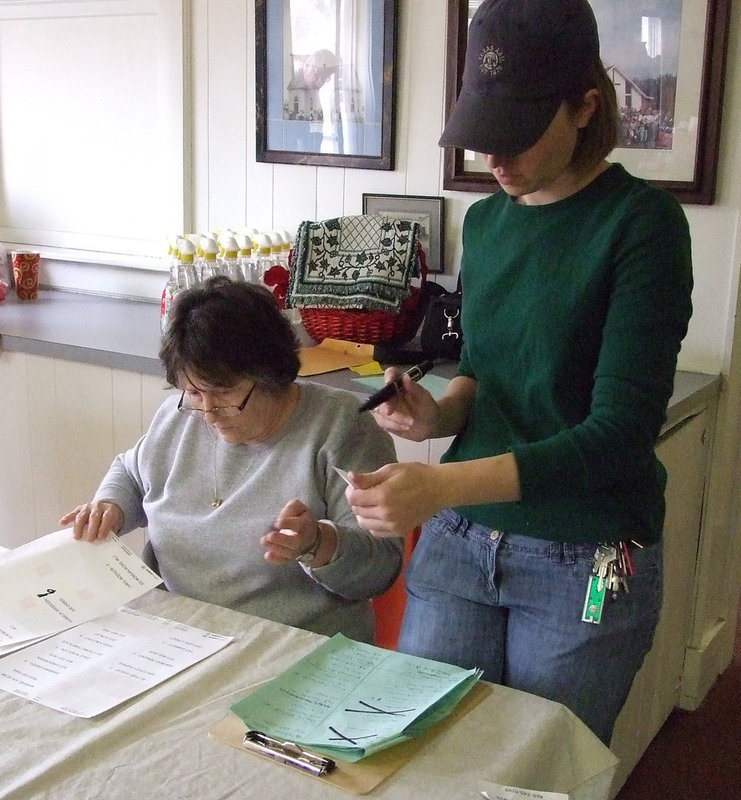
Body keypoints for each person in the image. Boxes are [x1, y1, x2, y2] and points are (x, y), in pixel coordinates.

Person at [345, 0, 693, 745]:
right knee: (421, 757)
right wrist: (435, 416)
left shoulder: (641, 226)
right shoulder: (488, 222)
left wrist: (437, 484)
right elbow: (481, 369)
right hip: (462, 544)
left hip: (584, 554)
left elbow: (617, 435)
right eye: (481, 138)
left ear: (584, 107)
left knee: (531, 776)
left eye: (516, 137)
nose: (494, 161)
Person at [61, 276, 403, 643]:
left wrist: (319, 544)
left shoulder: (342, 429)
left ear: (270, 373)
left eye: (223, 393)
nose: (208, 412)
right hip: (173, 633)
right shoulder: (178, 416)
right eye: (193, 392)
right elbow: (130, 471)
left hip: (289, 645)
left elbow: (380, 567)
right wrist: (110, 506)